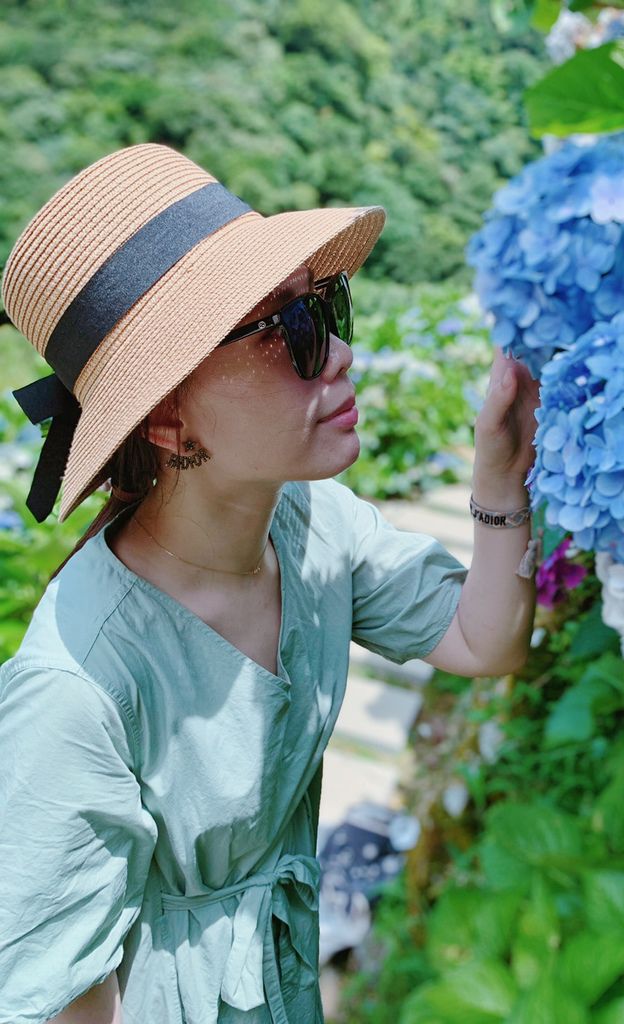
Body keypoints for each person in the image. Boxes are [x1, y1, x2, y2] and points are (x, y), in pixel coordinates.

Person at [0, 143, 540, 1024]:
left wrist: (497, 483)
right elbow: (64, 1004)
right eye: (286, 331)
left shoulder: (314, 526)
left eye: (325, 307)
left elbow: (484, 639)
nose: (336, 356)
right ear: (168, 418)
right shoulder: (78, 693)